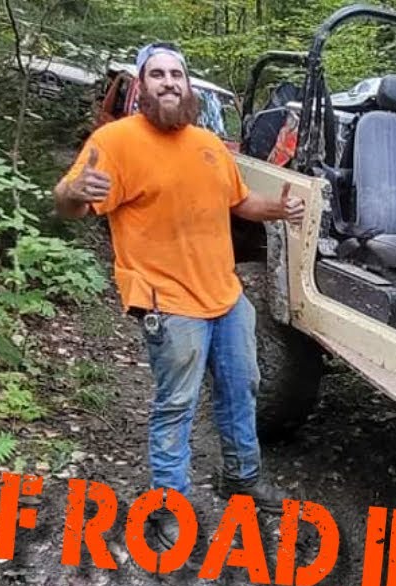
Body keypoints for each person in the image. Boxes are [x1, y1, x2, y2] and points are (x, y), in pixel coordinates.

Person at [53, 42, 304, 551]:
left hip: (226, 297)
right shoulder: (116, 141)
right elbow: (71, 204)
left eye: (177, 74)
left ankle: (243, 478)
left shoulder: (209, 143)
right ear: (141, 86)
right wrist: (73, 194)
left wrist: (277, 210)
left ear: (187, 85)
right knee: (177, 406)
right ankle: (170, 507)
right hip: (167, 302)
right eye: (158, 74)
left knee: (243, 389)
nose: (169, 82)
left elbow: (239, 202)